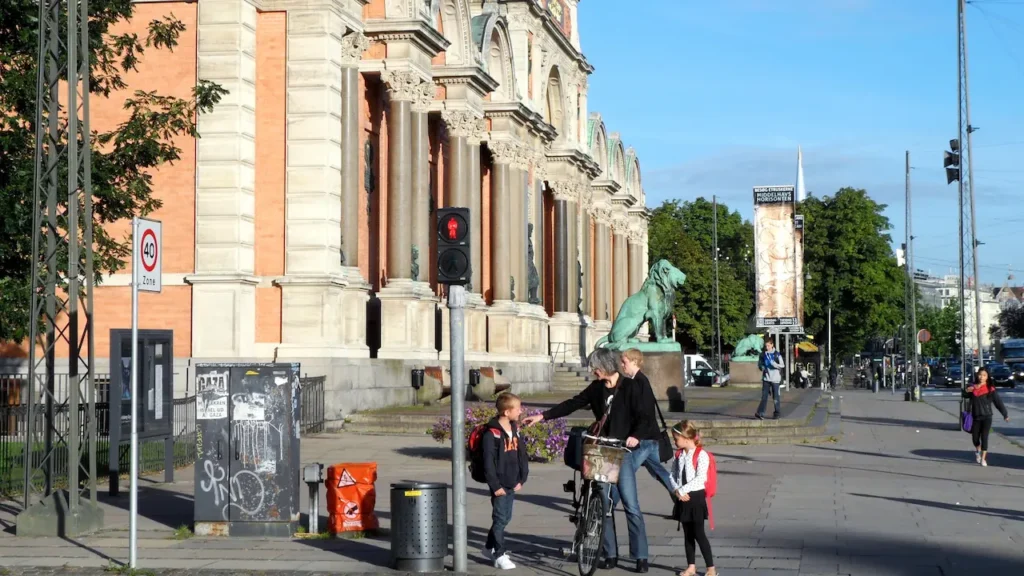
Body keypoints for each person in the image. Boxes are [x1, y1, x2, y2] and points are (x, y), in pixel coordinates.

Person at [522, 348, 652, 573]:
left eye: (595, 368)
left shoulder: (631, 386)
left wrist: (635, 436)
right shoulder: (596, 388)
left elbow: (644, 416)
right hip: (601, 450)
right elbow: (573, 403)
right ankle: (609, 553)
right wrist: (543, 416)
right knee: (602, 505)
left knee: (631, 505)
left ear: (605, 366)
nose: (593, 372)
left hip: (623, 451)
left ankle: (640, 556)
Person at [481, 392, 529, 569]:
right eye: (518, 408)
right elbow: (488, 462)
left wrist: (522, 477)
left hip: (512, 481)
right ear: (507, 412)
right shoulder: (491, 434)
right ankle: (499, 554)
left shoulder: (514, 429)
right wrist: (495, 485)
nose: (521, 410)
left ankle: (488, 547)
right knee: (500, 518)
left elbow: (521, 454)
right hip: (499, 484)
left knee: (505, 518)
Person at [620, 348, 675, 493]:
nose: (622, 365)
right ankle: (681, 498)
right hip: (648, 436)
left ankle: (608, 505)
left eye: (624, 361)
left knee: (624, 473)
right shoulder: (639, 380)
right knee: (659, 472)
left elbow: (645, 412)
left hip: (644, 439)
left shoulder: (639, 382)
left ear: (634, 361)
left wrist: (637, 434)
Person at [669, 421, 717, 576]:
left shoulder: (701, 455)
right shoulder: (679, 455)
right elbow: (672, 475)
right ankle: (691, 566)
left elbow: (700, 479)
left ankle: (711, 568)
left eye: (676, 438)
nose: (674, 441)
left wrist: (682, 489)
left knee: (699, 534)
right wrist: (677, 491)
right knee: (687, 534)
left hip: (695, 498)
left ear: (685, 438)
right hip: (682, 498)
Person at [963, 367, 1010, 467]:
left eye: (984, 375)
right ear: (977, 375)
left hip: (987, 417)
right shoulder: (973, 387)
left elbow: (998, 403)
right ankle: (977, 451)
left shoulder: (990, 389)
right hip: (975, 417)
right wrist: (967, 391)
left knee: (984, 437)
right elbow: (964, 395)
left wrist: (1005, 414)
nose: (981, 377)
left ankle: (983, 459)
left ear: (987, 377)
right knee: (975, 437)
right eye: (980, 375)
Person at [755, 338, 784, 420]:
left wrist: (774, 364)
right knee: (764, 396)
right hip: (766, 378)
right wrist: (762, 367)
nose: (767, 347)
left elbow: (782, 365)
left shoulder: (776, 354)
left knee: (776, 397)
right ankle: (760, 413)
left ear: (772, 345)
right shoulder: (763, 354)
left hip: (775, 379)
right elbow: (760, 364)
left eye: (768, 345)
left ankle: (777, 413)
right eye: (766, 346)